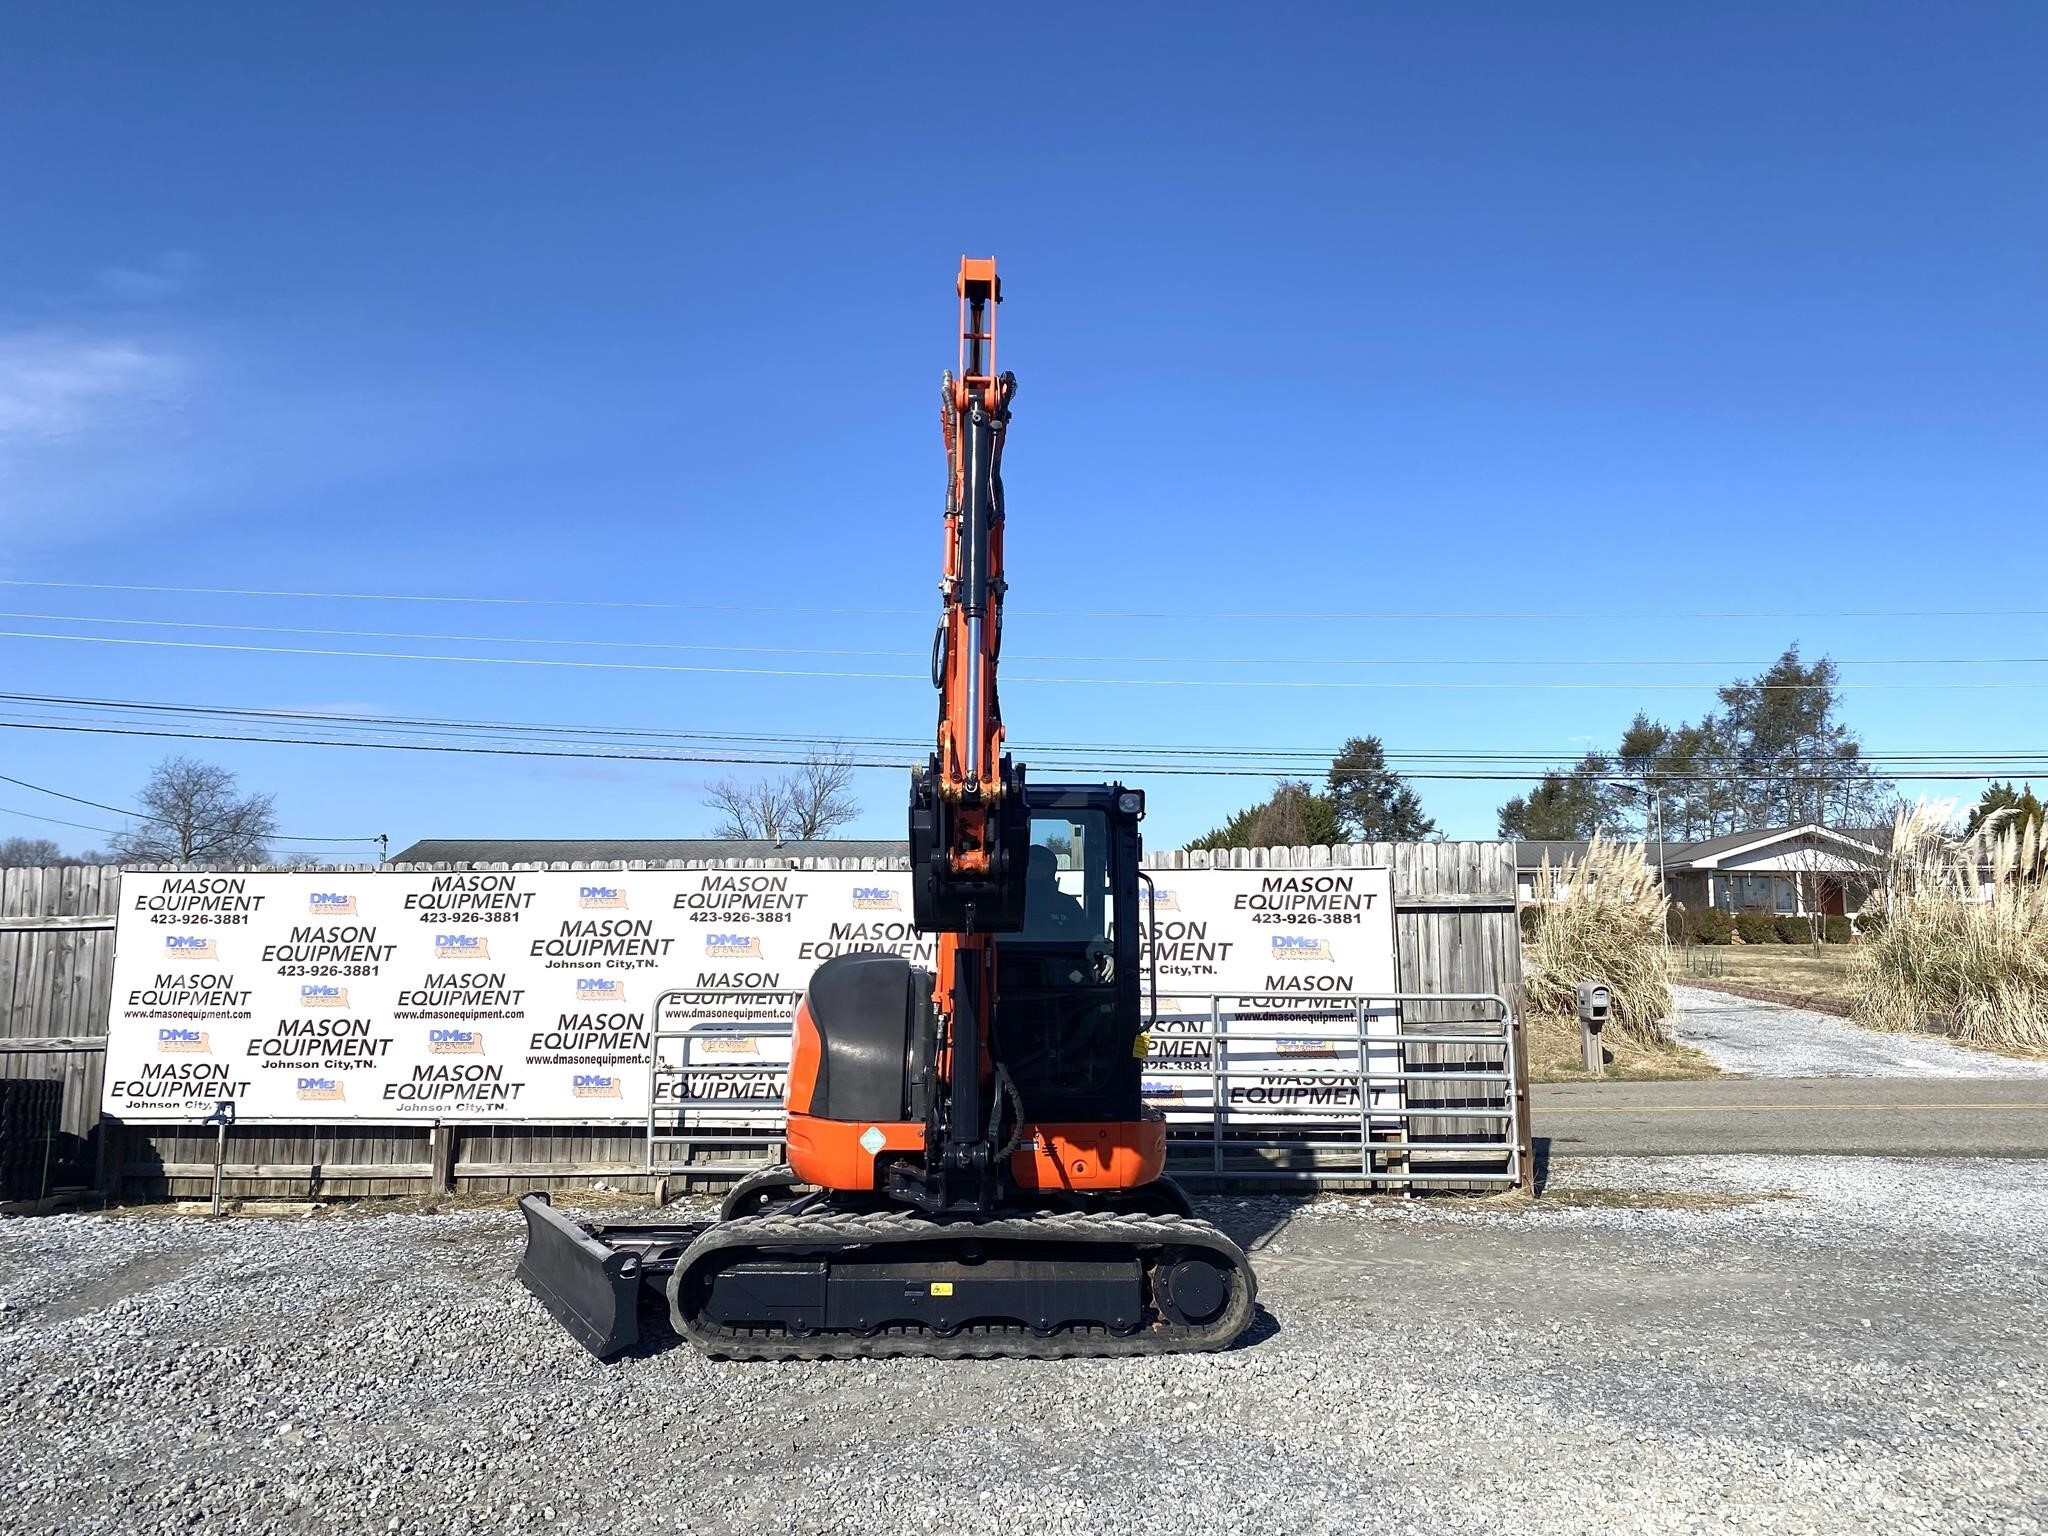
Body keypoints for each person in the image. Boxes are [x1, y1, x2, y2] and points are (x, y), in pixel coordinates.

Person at [1023, 843, 1090, 937]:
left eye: (1039, 869)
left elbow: (1086, 939)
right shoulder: (1009, 904)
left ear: (1051, 871)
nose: (1034, 874)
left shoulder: (1068, 905)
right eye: (1031, 869)